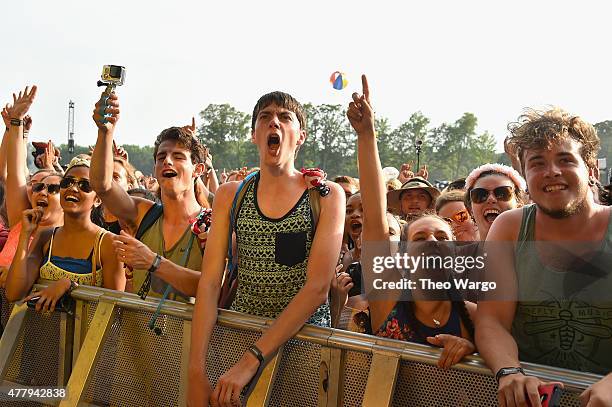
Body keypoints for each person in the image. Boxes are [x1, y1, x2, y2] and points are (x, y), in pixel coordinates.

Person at [187, 91, 344, 406]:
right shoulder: (232, 195)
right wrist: (196, 367)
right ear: (254, 134)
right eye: (265, 116)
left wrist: (252, 360)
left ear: (300, 136)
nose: (275, 121)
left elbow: (317, 288)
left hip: (303, 344)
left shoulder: (325, 195)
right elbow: (209, 282)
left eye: (285, 117)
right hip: (242, 332)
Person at [475, 108, 612, 406]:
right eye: (537, 163)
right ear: (525, 176)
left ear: (591, 170)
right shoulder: (509, 227)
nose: (552, 171)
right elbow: (492, 320)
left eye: (565, 159)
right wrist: (509, 371)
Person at [347, 75, 476, 370]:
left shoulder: (474, 316)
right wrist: (367, 135)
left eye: (442, 238)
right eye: (420, 239)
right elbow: (376, 214)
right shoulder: (387, 297)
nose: (431, 242)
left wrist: (473, 348)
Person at [90, 93, 206, 301]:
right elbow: (102, 185)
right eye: (161, 157)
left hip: (186, 334)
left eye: (178, 156)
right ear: (155, 168)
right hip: (134, 333)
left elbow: (213, 287)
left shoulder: (211, 224)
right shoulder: (144, 213)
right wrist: (105, 132)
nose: (167, 161)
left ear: (197, 169)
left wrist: (154, 262)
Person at [5, 156, 125, 309]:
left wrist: (70, 286)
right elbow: (14, 293)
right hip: (40, 330)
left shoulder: (109, 243)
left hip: (85, 333)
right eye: (67, 182)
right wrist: (25, 235)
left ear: (98, 199)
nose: (73, 188)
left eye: (85, 185)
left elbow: (112, 309)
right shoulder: (46, 236)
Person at [464, 163, 527, 240]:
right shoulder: (458, 252)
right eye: (480, 194)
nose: (491, 199)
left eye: (502, 193)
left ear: (519, 206)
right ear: (471, 210)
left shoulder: (539, 250)